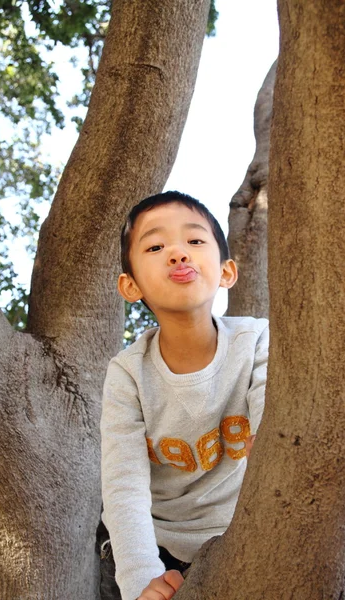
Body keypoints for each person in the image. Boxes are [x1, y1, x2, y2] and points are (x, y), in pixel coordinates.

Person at [100, 191, 269, 600]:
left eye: (194, 241)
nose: (177, 253)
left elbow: (274, 429)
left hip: (237, 539)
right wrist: (142, 579)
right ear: (130, 285)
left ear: (227, 271)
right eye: (156, 247)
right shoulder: (127, 373)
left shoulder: (257, 340)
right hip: (154, 547)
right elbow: (124, 484)